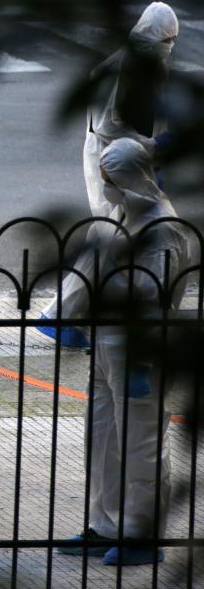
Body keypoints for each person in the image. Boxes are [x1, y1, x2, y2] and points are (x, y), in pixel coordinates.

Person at [58, 138, 191, 566]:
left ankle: (142, 532)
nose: (105, 186)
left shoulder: (161, 227)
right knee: (104, 438)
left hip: (137, 351)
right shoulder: (123, 214)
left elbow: (155, 296)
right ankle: (106, 522)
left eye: (109, 179)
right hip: (107, 342)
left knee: (141, 442)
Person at [38, 2, 180, 345]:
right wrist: (151, 146)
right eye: (168, 39)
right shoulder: (121, 68)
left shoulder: (148, 62)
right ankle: (60, 315)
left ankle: (66, 314)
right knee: (111, 232)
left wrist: (154, 150)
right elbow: (109, 126)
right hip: (109, 159)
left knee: (115, 232)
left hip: (133, 159)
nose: (170, 47)